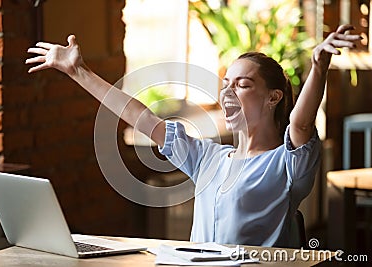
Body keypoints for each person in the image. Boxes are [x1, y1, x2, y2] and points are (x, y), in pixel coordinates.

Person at [26, 24, 361, 247]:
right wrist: (77, 70)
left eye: (242, 85)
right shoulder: (208, 158)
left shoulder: (286, 164)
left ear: (273, 97)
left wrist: (318, 67)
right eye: (225, 83)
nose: (228, 91)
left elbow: (300, 125)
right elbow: (142, 117)